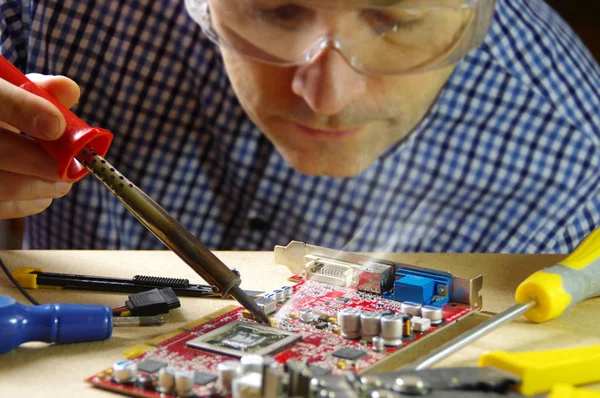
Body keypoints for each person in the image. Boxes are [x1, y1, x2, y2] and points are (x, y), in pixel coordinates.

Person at [0, 0, 599, 253]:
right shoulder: (59, 8)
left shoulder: (572, 162)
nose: (325, 95)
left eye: (393, 21)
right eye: (278, 10)